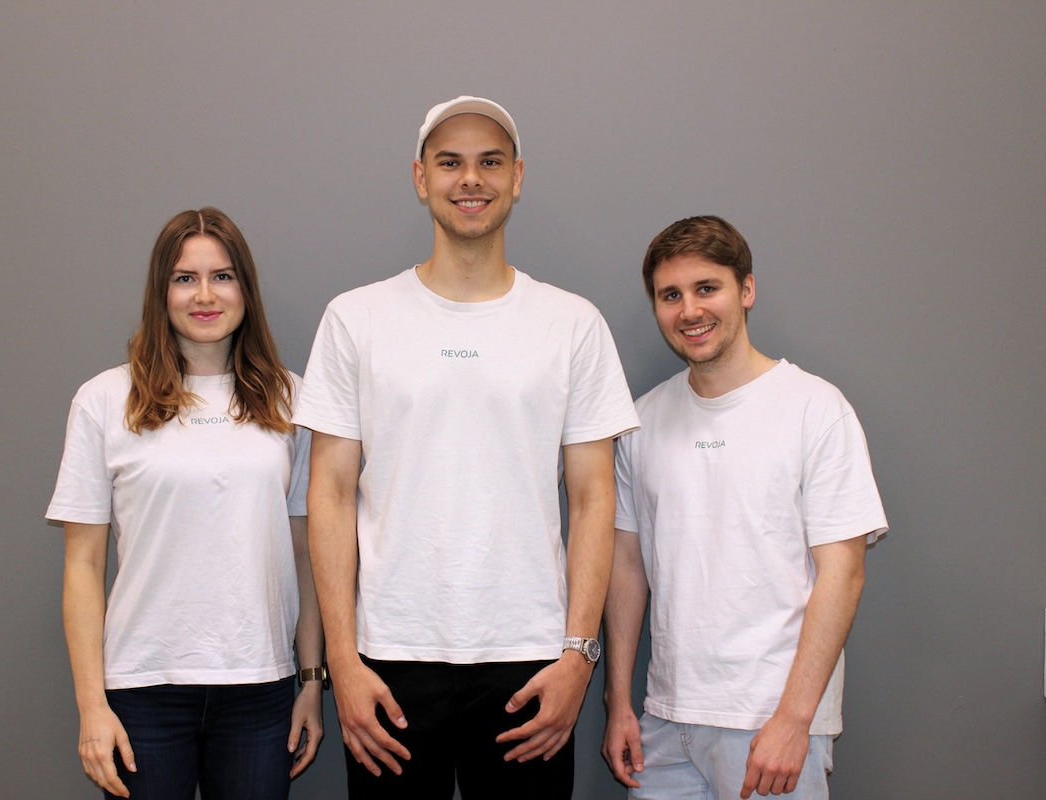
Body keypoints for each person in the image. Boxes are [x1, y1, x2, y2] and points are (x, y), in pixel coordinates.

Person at [293, 96, 639, 799]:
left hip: (531, 660)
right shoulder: (355, 318)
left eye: (490, 162)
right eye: (450, 162)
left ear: (518, 177)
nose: (471, 179)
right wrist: (343, 660)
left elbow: (594, 498)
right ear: (421, 178)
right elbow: (327, 493)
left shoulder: (572, 323)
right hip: (387, 658)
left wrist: (579, 657)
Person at [601, 215, 888, 799]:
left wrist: (795, 720)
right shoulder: (642, 421)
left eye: (707, 288)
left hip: (771, 726)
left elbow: (843, 573)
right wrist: (619, 701)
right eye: (670, 295)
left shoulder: (815, 408)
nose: (689, 311)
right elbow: (626, 566)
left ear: (746, 290)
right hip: (663, 723)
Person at [47, 208, 324, 800]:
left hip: (261, 690)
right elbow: (83, 565)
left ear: (245, 289)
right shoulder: (104, 400)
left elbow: (305, 553)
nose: (204, 295)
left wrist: (309, 679)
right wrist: (91, 706)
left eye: (222, 276)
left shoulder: (290, 400)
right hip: (142, 691)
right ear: (161, 291)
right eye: (184, 278)